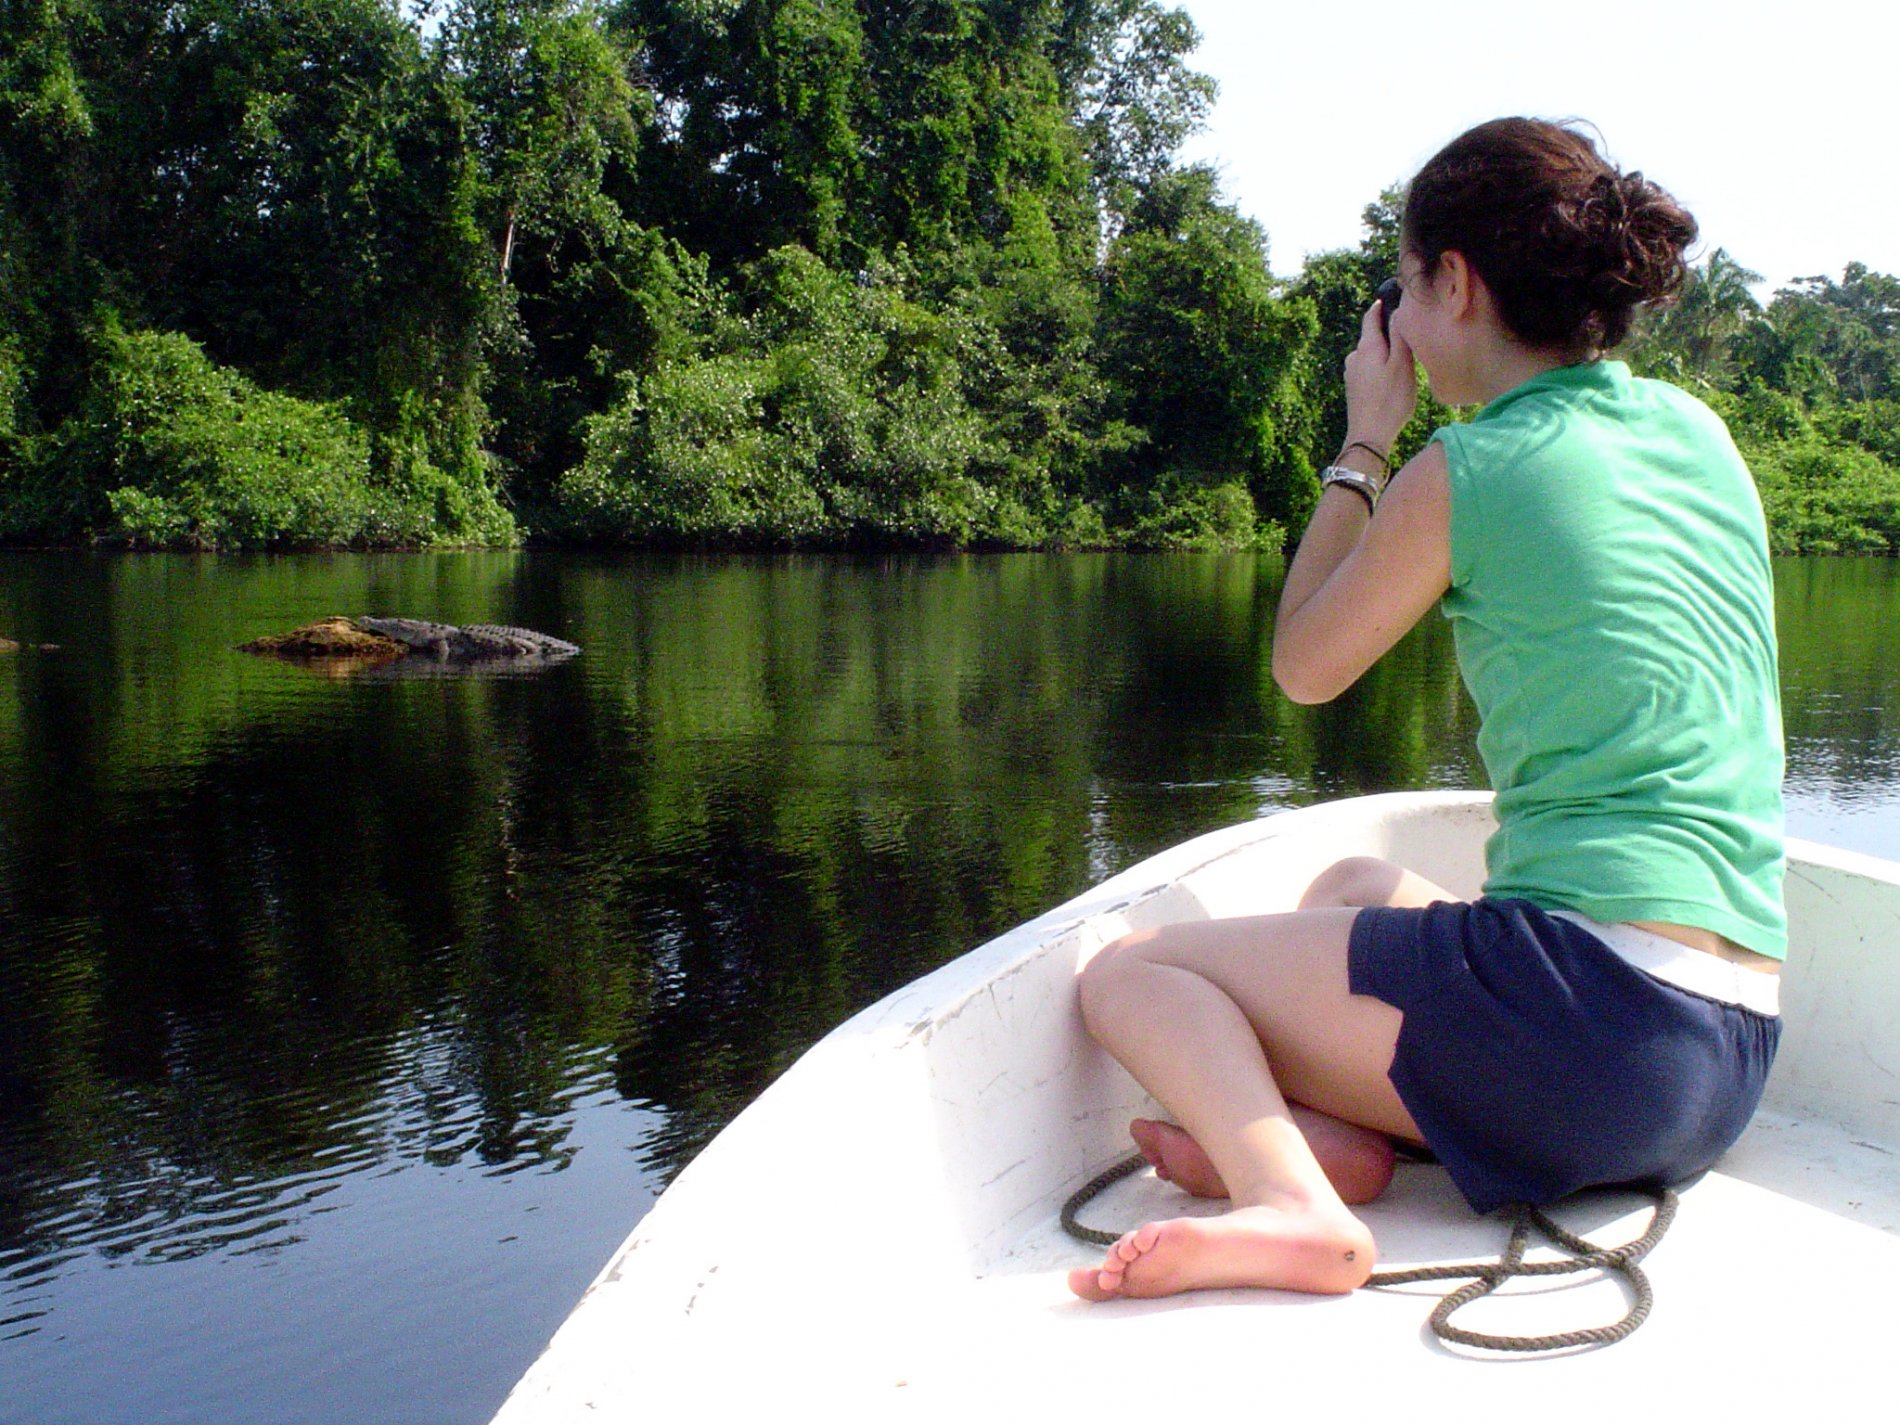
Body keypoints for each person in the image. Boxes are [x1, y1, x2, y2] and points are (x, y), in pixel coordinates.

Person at [1068, 117, 1786, 1303]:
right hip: (1724, 1062)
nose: (1396, 319)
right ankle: (1341, 1145)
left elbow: (1303, 667)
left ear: (1454, 281)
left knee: (1129, 978)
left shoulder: (1469, 468)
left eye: (1402, 285)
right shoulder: (1698, 434)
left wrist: (1364, 441)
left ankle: (1291, 1206)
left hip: (1588, 1031)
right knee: (1351, 883)